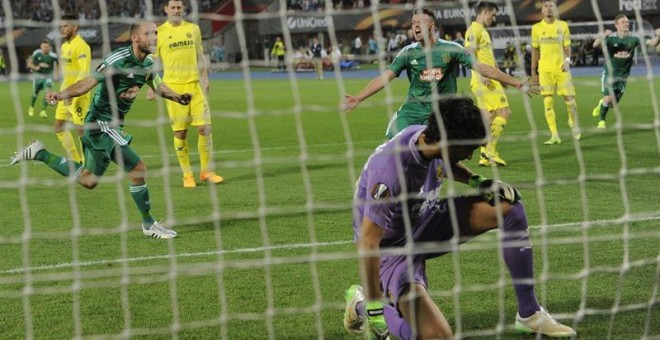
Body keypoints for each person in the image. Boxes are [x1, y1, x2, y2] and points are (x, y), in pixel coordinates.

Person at [342, 95, 577, 339]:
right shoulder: (391, 171)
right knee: (437, 336)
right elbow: (368, 242)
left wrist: (479, 181)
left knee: (509, 207)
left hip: (424, 221)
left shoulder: (428, 137)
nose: (470, 156)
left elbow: (444, 161)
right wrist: (373, 308)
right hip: (390, 250)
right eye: (469, 149)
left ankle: (530, 315)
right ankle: (359, 304)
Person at [10, 21, 189, 239]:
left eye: (156, 33)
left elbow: (158, 86)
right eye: (148, 33)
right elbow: (88, 82)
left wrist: (178, 98)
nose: (154, 37)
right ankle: (148, 224)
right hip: (99, 122)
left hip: (112, 123)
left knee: (88, 180)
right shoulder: (117, 59)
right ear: (135, 38)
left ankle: (40, 153)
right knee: (138, 169)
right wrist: (60, 95)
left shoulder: (148, 64)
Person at [342, 9, 534, 139]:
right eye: (413, 23)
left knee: (441, 156)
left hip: (442, 111)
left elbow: (482, 67)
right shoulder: (408, 52)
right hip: (414, 108)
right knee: (395, 142)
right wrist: (358, 97)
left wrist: (516, 83)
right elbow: (385, 78)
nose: (415, 26)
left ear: (432, 27)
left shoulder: (451, 49)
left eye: (420, 23)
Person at [148, 0, 223, 188]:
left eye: (179, 7)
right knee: (180, 133)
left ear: (183, 9)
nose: (176, 10)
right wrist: (151, 86)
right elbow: (152, 62)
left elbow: (200, 56)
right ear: (166, 9)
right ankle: (187, 175)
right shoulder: (159, 33)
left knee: (205, 128)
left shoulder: (194, 29)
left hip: (195, 86)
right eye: (172, 7)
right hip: (173, 89)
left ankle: (206, 171)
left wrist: (205, 79)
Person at [465, 1, 512, 167]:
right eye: (493, 15)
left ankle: (484, 156)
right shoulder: (474, 30)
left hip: (489, 79)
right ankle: (489, 151)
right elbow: (469, 53)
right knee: (505, 113)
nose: (494, 18)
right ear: (485, 12)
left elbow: (489, 58)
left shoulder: (483, 32)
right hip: (484, 80)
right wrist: (480, 73)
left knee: (489, 118)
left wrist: (500, 77)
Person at [591, 15, 660, 128]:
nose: (626, 24)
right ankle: (602, 121)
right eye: (623, 22)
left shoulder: (634, 38)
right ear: (616, 25)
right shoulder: (611, 38)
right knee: (608, 98)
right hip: (609, 74)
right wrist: (603, 35)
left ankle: (601, 104)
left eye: (627, 22)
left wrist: (658, 36)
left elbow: (652, 43)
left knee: (612, 104)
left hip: (623, 77)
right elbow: (595, 45)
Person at [531, 0, 581, 145]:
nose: (548, 9)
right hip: (545, 70)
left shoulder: (563, 26)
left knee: (570, 100)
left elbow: (567, 47)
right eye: (546, 6)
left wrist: (567, 61)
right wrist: (533, 71)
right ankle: (554, 135)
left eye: (551, 6)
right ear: (542, 10)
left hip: (561, 68)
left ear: (555, 9)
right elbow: (535, 50)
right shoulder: (536, 28)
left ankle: (574, 123)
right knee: (547, 102)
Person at [54, 14, 91, 164]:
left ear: (75, 26)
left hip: (78, 94)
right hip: (65, 93)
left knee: (81, 130)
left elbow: (84, 72)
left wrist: (73, 91)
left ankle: (87, 162)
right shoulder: (64, 46)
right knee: (59, 127)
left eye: (66, 26)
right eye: (61, 27)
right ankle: (75, 160)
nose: (62, 29)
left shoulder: (82, 45)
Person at [27, 39, 58, 118]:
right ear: (41, 47)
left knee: (48, 92)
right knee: (35, 93)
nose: (45, 48)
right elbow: (30, 63)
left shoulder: (53, 55)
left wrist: (56, 73)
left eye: (47, 47)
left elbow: (58, 63)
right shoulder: (36, 53)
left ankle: (43, 110)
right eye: (44, 47)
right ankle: (32, 106)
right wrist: (36, 67)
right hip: (37, 76)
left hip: (48, 76)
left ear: (49, 47)